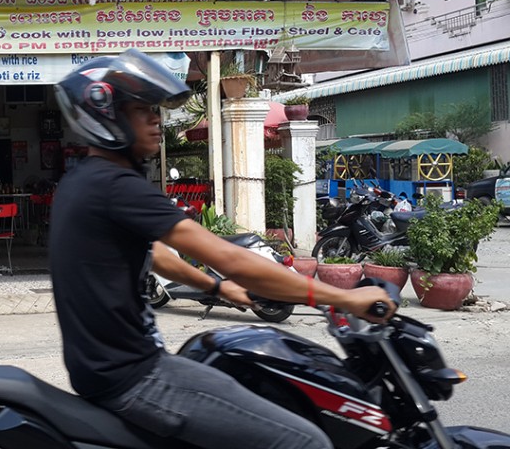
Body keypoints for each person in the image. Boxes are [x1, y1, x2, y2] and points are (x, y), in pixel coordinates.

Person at [49, 49, 394, 449]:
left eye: (156, 109)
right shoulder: (116, 186)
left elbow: (155, 255)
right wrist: (342, 297)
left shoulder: (81, 182)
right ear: (105, 114)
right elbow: (229, 258)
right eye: (142, 109)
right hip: (136, 377)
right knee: (306, 442)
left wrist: (215, 289)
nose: (156, 119)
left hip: (105, 371)